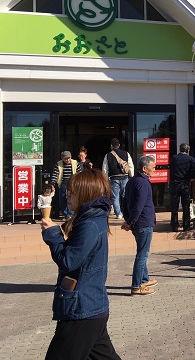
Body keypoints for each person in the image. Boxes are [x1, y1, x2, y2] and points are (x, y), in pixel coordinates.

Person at [41, 168, 121, 360]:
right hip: (91, 307)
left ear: (86, 193)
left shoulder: (90, 224)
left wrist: (53, 235)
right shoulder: (91, 218)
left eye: (73, 191)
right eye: (68, 190)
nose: (67, 195)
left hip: (82, 310)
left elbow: (69, 260)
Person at [121, 155, 158, 296]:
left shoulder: (132, 181)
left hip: (138, 224)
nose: (154, 170)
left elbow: (124, 202)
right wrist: (129, 222)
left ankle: (144, 279)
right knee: (142, 255)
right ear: (144, 168)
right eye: (153, 167)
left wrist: (128, 220)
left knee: (142, 253)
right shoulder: (142, 183)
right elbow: (138, 206)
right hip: (143, 224)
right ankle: (137, 286)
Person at [169, 143, 195, 232]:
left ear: (180, 149)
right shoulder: (190, 159)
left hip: (175, 184)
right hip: (185, 184)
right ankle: (186, 226)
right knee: (186, 206)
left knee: (174, 206)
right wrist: (191, 177)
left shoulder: (174, 158)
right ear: (188, 150)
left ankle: (174, 226)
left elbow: (171, 168)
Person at [102, 138, 134, 219]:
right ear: (119, 145)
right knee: (125, 195)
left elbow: (105, 169)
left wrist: (105, 179)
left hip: (114, 178)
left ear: (111, 146)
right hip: (125, 177)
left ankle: (118, 214)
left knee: (115, 197)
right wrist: (131, 176)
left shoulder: (108, 155)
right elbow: (131, 166)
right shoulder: (126, 153)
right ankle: (126, 211)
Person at [49, 151, 78, 220]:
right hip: (63, 183)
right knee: (63, 199)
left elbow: (79, 173)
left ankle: (70, 214)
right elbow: (55, 175)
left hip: (73, 183)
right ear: (62, 158)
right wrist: (52, 183)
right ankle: (65, 214)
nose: (67, 160)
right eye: (65, 159)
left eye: (69, 158)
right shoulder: (58, 164)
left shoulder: (75, 163)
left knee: (72, 198)